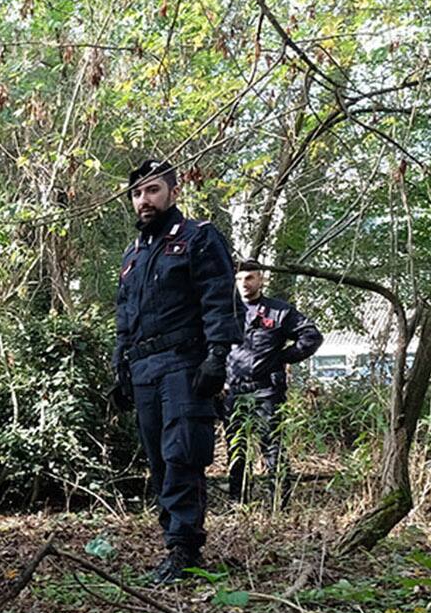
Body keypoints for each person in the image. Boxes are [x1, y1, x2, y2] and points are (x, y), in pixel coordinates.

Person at [112, 158, 242, 582]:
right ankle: (172, 542)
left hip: (186, 365)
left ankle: (184, 548)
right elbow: (125, 315)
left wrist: (217, 356)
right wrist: (121, 367)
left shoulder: (198, 238)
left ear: (173, 192)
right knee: (158, 460)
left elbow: (219, 299)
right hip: (145, 367)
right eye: (137, 193)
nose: (144, 200)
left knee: (182, 453)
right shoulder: (134, 254)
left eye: (152, 190)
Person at [223, 267, 323, 504]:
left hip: (266, 390)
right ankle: (238, 503)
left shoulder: (279, 311)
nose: (244, 283)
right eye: (238, 279)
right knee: (236, 449)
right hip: (233, 391)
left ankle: (279, 503)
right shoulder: (226, 310)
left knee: (272, 447)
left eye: (249, 278)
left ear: (260, 280)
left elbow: (311, 337)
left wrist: (281, 358)